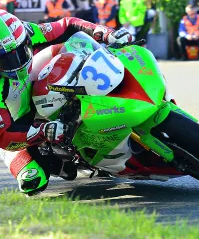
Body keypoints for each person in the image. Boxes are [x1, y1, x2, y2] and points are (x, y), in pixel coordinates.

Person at [0, 10, 132, 196]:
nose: (18, 61)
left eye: (22, 50)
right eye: (5, 59)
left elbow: (67, 25)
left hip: (38, 79)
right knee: (33, 180)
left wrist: (104, 32)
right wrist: (42, 131)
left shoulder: (23, 31)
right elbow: (4, 137)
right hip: (18, 122)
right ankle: (61, 159)